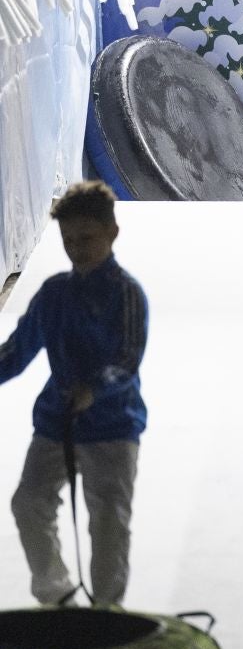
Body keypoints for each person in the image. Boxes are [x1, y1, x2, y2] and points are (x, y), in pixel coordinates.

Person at [1, 182, 147, 608]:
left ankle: (107, 610)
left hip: (113, 427)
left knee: (108, 522)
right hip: (56, 421)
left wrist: (94, 390)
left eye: (86, 239)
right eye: (68, 241)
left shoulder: (127, 294)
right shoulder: (53, 294)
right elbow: (16, 351)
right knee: (29, 503)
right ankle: (56, 593)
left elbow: (127, 358)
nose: (76, 250)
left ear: (112, 233)